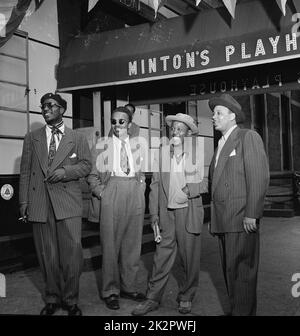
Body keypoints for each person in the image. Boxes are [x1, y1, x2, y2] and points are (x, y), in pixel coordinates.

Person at [19, 92, 92, 316]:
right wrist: (24, 202)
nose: (45, 109)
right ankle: (52, 298)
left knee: (71, 255)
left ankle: (71, 300)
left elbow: (87, 165)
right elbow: (24, 172)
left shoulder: (77, 138)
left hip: (67, 203)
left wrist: (65, 172)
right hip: (40, 202)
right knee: (46, 255)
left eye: (50, 105)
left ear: (62, 109)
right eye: (43, 106)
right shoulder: (32, 138)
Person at [132, 113, 207, 316]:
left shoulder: (196, 153)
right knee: (161, 256)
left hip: (188, 211)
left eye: (180, 129)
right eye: (173, 128)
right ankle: (152, 298)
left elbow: (206, 182)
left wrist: (188, 192)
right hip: (166, 213)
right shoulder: (163, 152)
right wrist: (154, 214)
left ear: (188, 133)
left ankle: (186, 296)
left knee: (189, 257)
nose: (175, 132)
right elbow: (155, 185)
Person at [208, 93, 270, 316]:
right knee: (231, 274)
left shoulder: (247, 137)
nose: (214, 117)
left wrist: (252, 213)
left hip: (241, 219)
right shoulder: (221, 144)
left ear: (232, 116)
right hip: (225, 220)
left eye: (218, 113)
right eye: (213, 113)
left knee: (242, 276)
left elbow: (258, 176)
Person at [88, 106, 146, 310]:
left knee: (132, 245)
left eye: (121, 121)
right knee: (110, 247)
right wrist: (102, 193)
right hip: (112, 191)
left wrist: (141, 185)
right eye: (113, 121)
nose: (116, 125)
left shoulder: (138, 144)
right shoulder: (102, 145)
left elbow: (142, 171)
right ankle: (110, 291)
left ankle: (129, 287)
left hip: (134, 192)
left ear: (129, 125)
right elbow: (92, 176)